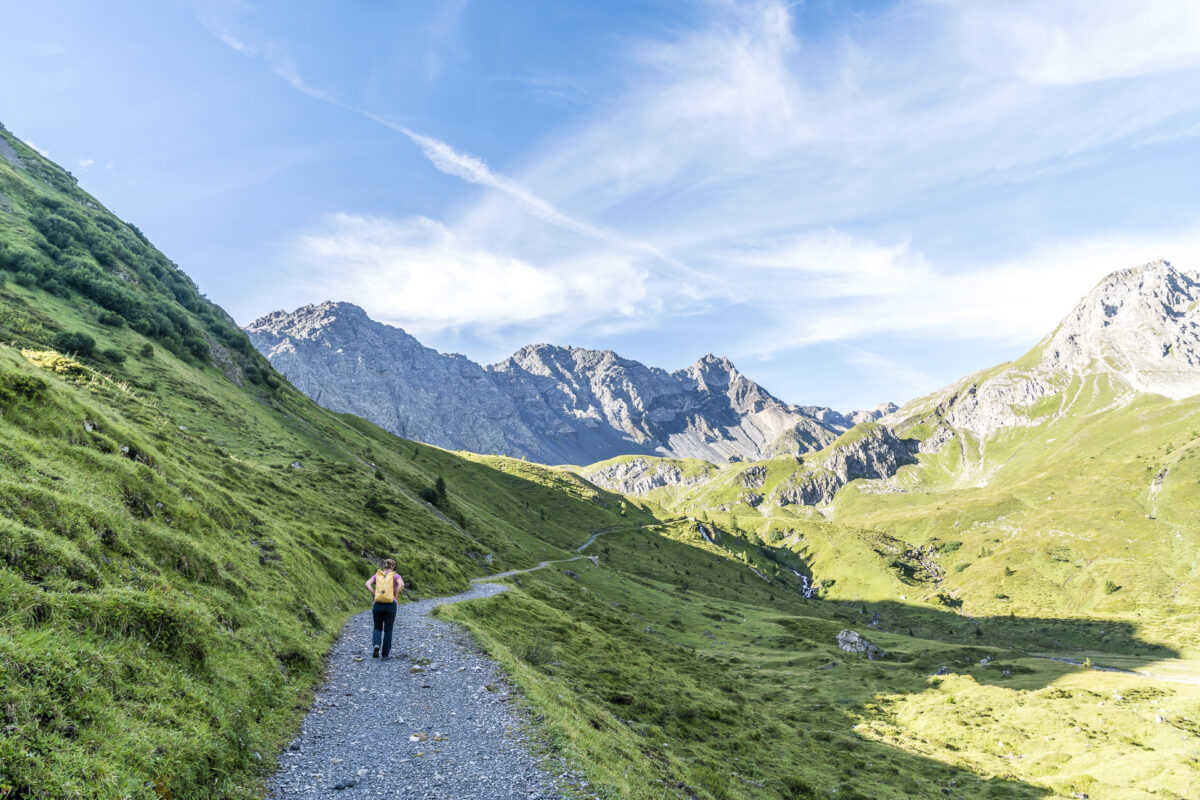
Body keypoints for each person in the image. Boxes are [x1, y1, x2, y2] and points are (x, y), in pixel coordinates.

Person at [365, 558, 404, 659]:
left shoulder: (377, 576)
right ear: (393, 566)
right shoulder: (395, 576)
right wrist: (396, 593)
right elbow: (402, 584)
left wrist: (374, 593)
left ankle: (376, 645)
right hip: (391, 604)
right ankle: (385, 655)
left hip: (378, 604)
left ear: (383, 566)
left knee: (377, 627)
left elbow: (367, 584)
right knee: (388, 630)